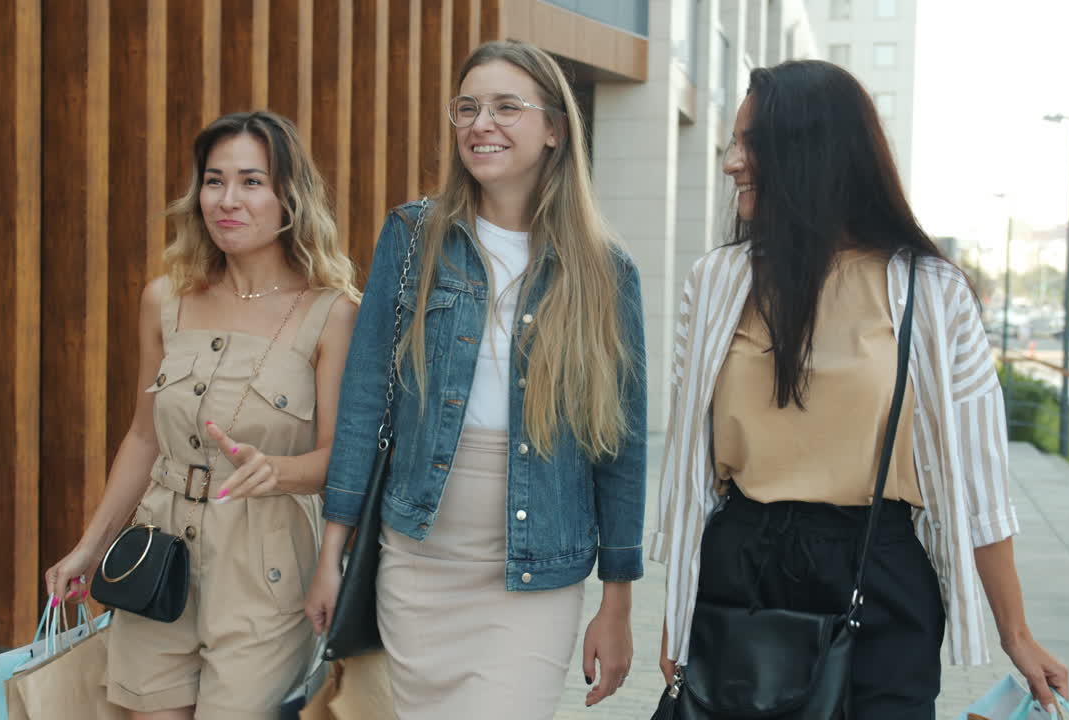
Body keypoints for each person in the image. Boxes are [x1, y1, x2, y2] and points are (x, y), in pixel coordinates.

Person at [654, 60, 1069, 718]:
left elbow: (980, 479)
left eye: (750, 143)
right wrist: (677, 612)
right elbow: (686, 468)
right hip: (744, 565)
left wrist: (1015, 633)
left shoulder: (931, 294)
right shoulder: (715, 284)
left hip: (880, 572)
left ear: (812, 150)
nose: (731, 162)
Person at [304, 40, 648, 719]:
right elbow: (365, 400)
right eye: (468, 108)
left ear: (554, 128)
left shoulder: (606, 271)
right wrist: (332, 553)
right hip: (419, 561)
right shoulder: (413, 236)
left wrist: (618, 601)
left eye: (505, 107)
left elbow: (623, 446)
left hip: (536, 573)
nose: (480, 123)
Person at [44, 110, 359, 719]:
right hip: (156, 553)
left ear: (289, 198)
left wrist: (282, 473)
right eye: (214, 181)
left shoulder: (333, 313)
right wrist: (90, 546)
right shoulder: (165, 299)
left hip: (264, 563)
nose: (226, 201)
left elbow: (339, 459)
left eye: (250, 181)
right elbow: (142, 436)